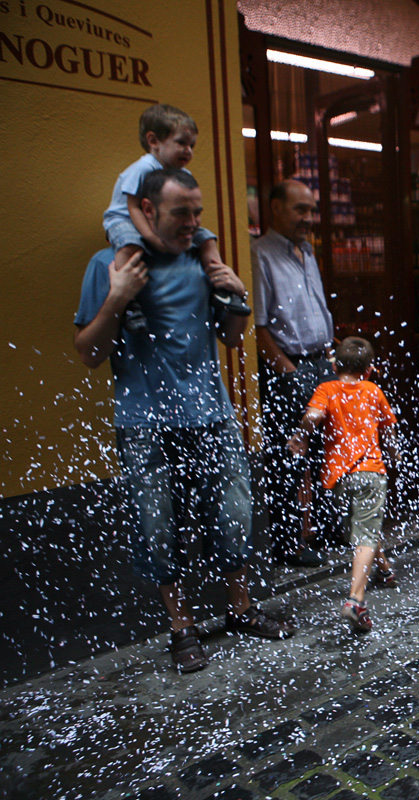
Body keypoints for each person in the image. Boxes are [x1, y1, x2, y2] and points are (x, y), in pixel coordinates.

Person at [74, 168, 294, 673]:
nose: (193, 223)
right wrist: (118, 298)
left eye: (197, 212)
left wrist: (237, 294)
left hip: (212, 416)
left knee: (235, 515)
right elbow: (88, 353)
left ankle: (240, 609)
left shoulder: (200, 262)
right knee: (156, 525)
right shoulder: (108, 265)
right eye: (181, 213)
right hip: (144, 423)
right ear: (147, 212)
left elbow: (234, 336)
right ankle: (181, 626)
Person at [103, 104, 250, 330]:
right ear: (153, 141)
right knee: (129, 246)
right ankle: (128, 302)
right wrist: (152, 239)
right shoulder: (142, 169)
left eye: (192, 145)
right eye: (181, 143)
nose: (188, 151)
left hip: (155, 224)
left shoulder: (182, 175)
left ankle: (221, 287)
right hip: (124, 219)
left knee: (207, 238)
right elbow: (132, 208)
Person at [289, 338, 399, 633]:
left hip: (338, 479)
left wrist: (302, 435)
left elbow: (313, 415)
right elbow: (388, 433)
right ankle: (355, 600)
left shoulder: (327, 389)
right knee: (366, 532)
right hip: (370, 472)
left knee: (361, 528)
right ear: (370, 370)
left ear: (335, 366)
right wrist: (394, 455)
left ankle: (384, 570)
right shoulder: (373, 391)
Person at [252, 179, 334, 567]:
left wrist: (331, 360)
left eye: (312, 210)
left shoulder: (307, 252)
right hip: (289, 367)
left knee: (323, 453)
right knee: (288, 459)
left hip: (321, 364)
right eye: (300, 209)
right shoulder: (260, 254)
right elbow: (260, 325)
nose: (308, 218)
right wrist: (288, 373)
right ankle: (289, 545)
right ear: (275, 209)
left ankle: (322, 528)